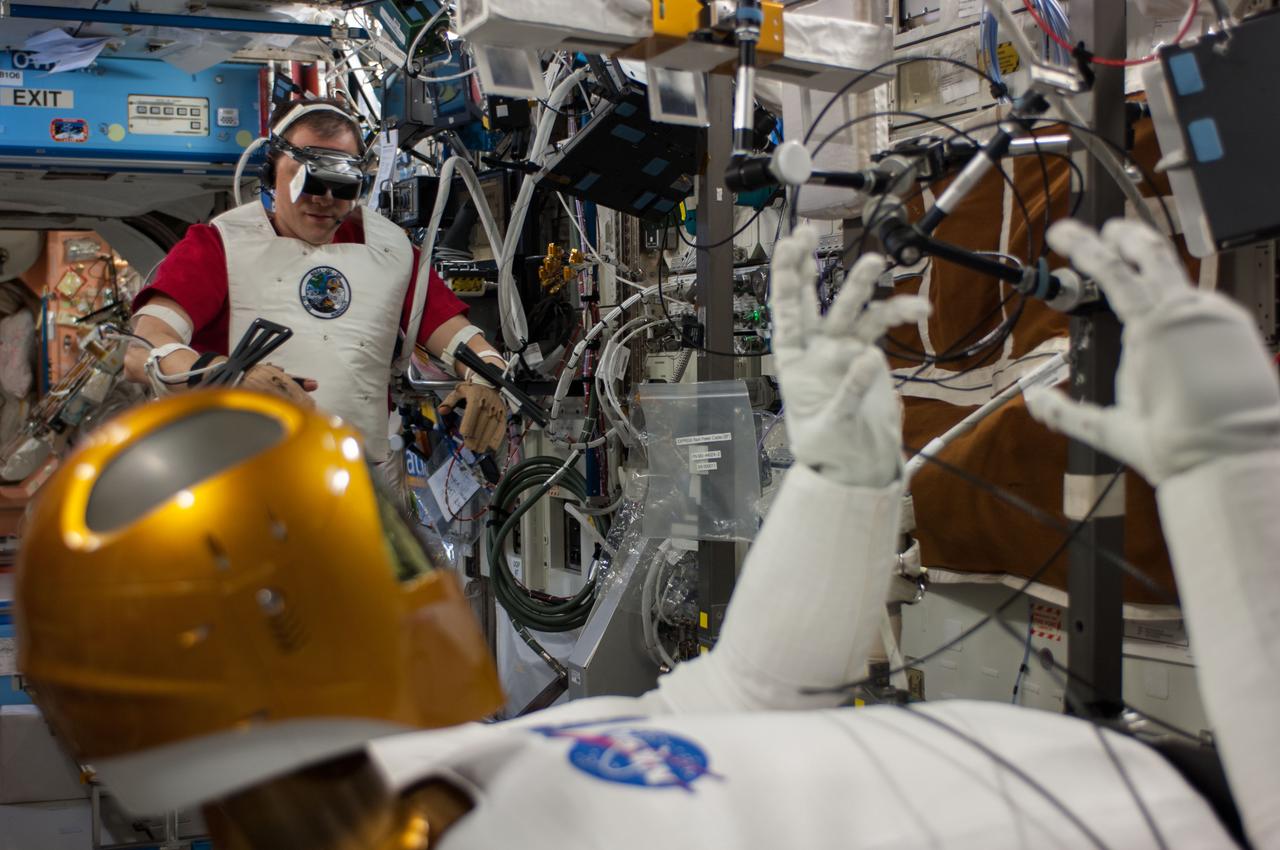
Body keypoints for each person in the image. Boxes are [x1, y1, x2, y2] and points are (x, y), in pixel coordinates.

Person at [15, 218, 1279, 849]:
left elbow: (739, 698)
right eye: (396, 536)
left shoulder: (453, 786)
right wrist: (1239, 490)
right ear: (324, 626)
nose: (438, 564)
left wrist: (840, 476)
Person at [124, 96, 509, 465]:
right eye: (308, 181)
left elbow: (457, 336)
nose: (324, 200)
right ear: (272, 175)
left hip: (355, 479)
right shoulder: (218, 247)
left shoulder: (389, 251)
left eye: (341, 186)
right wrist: (226, 376)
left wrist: (486, 374)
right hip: (236, 474)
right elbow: (143, 349)